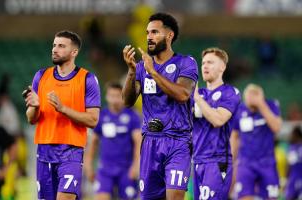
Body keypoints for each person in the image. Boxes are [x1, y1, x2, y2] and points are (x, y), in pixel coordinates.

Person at [122, 12, 198, 200]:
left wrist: (153, 72)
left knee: (175, 195)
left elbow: (182, 94)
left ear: (169, 35)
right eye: (148, 33)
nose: (149, 37)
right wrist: (132, 72)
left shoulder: (186, 63)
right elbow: (127, 101)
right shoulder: (141, 67)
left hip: (178, 141)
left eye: (155, 32)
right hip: (150, 142)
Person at [24, 30, 101, 200]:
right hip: (44, 150)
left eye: (61, 46)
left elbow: (93, 120)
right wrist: (35, 107)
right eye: (54, 45)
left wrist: (63, 108)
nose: (55, 49)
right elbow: (31, 119)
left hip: (71, 150)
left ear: (74, 52)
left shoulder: (87, 79)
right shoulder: (41, 76)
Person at [191, 47, 241, 200]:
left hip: (217, 161)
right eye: (203, 63)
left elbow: (218, 120)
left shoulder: (230, 93)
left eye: (210, 62)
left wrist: (197, 99)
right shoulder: (197, 94)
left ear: (222, 67)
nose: (205, 66)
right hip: (197, 160)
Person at [84, 82, 142, 200]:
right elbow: (93, 142)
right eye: (111, 96)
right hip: (105, 169)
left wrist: (136, 165)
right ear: (106, 97)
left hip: (126, 169)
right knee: (101, 197)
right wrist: (88, 165)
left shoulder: (132, 116)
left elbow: (138, 142)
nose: (114, 100)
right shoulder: (101, 116)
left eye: (117, 96)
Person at [230, 83, 282, 200]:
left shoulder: (271, 105)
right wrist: (231, 163)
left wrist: (261, 104)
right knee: (244, 196)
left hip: (267, 163)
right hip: (246, 163)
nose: (252, 97)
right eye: (249, 94)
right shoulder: (239, 111)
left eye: (255, 94)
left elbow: (277, 127)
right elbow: (234, 137)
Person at [285, 126, 302, 200]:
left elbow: (289, 166)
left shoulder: (292, 148)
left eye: (292, 135)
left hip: (294, 179)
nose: (290, 137)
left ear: (296, 135)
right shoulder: (292, 147)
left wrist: (286, 178)